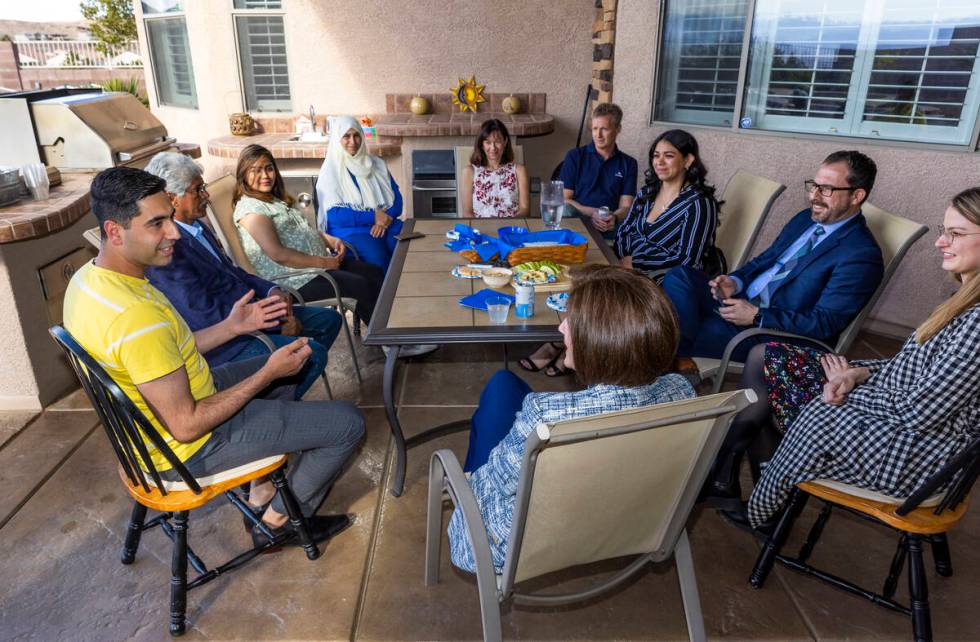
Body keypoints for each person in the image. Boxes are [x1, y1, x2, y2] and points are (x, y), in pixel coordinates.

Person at [63, 167, 364, 547]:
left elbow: (166, 352)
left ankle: (263, 485)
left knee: (293, 366)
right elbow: (186, 424)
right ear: (114, 231)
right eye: (156, 224)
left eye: (170, 219)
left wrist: (232, 328)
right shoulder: (136, 318)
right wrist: (266, 373)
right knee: (347, 423)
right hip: (187, 449)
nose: (173, 233)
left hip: (172, 402)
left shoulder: (89, 280)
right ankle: (276, 524)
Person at [737, 186, 980, 529]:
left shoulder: (978, 322)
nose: (941, 243)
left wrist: (847, 388)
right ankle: (745, 473)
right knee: (769, 358)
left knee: (793, 397)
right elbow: (911, 368)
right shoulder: (965, 301)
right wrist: (856, 373)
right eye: (944, 232)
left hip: (917, 454)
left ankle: (754, 497)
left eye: (955, 234)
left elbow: (918, 411)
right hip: (901, 417)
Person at [448, 265, 696, 572]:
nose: (562, 329)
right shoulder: (683, 393)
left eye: (571, 321)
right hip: (627, 521)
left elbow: (491, 481)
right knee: (506, 384)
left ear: (601, 341)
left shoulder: (547, 417)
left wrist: (463, 484)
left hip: (513, 545)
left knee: (498, 394)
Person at [143, 152, 341, 400]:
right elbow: (204, 315)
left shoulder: (197, 227)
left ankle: (281, 392)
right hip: (228, 343)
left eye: (203, 187)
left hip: (251, 313)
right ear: (172, 198)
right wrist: (275, 319)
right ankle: (267, 405)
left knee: (329, 322)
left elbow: (234, 272)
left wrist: (272, 292)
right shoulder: (168, 253)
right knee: (312, 353)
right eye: (198, 190)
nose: (206, 195)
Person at [661, 150, 885, 368]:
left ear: (857, 196)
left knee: (701, 326)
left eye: (826, 189)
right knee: (680, 276)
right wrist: (735, 281)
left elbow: (825, 322)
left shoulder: (861, 255)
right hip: (743, 302)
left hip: (776, 332)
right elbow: (765, 260)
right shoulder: (804, 220)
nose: (813, 196)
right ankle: (678, 362)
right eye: (814, 185)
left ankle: (671, 363)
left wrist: (757, 316)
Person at [232, 144, 384, 327]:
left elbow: (303, 230)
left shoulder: (274, 200)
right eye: (255, 171)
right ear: (243, 175)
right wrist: (323, 262)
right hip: (294, 281)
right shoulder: (251, 210)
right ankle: (385, 339)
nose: (265, 176)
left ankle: (391, 329)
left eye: (269, 168)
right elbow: (278, 254)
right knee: (358, 285)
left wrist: (331, 240)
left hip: (315, 268)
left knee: (373, 272)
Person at [615, 129, 720, 276]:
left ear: (688, 160)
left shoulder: (699, 204)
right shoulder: (647, 193)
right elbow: (624, 230)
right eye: (656, 156)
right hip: (625, 270)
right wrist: (623, 259)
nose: (659, 162)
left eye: (669, 156)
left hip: (662, 283)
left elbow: (688, 260)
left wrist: (636, 262)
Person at [315, 116, 404, 271]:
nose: (353, 141)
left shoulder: (377, 164)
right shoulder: (330, 172)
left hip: (385, 223)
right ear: (337, 139)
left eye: (356, 135)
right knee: (378, 256)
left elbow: (397, 202)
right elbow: (335, 216)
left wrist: (384, 219)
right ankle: (387, 295)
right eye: (346, 136)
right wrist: (374, 217)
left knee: (405, 246)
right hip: (350, 229)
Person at [559, 102, 638, 234]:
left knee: (633, 224)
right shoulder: (575, 156)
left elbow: (626, 206)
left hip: (610, 223)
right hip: (578, 220)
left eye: (604, 129)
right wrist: (594, 213)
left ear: (618, 129)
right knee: (565, 209)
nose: (598, 135)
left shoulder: (628, 163)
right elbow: (564, 199)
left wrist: (614, 217)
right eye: (595, 129)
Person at [460, 118, 529, 218]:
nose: (493, 148)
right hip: (480, 231)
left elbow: (525, 209)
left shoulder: (519, 170)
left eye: (497, 142)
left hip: (510, 230)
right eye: (488, 142)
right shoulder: (469, 172)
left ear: (505, 142)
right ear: (482, 145)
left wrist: (510, 227)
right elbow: (467, 213)